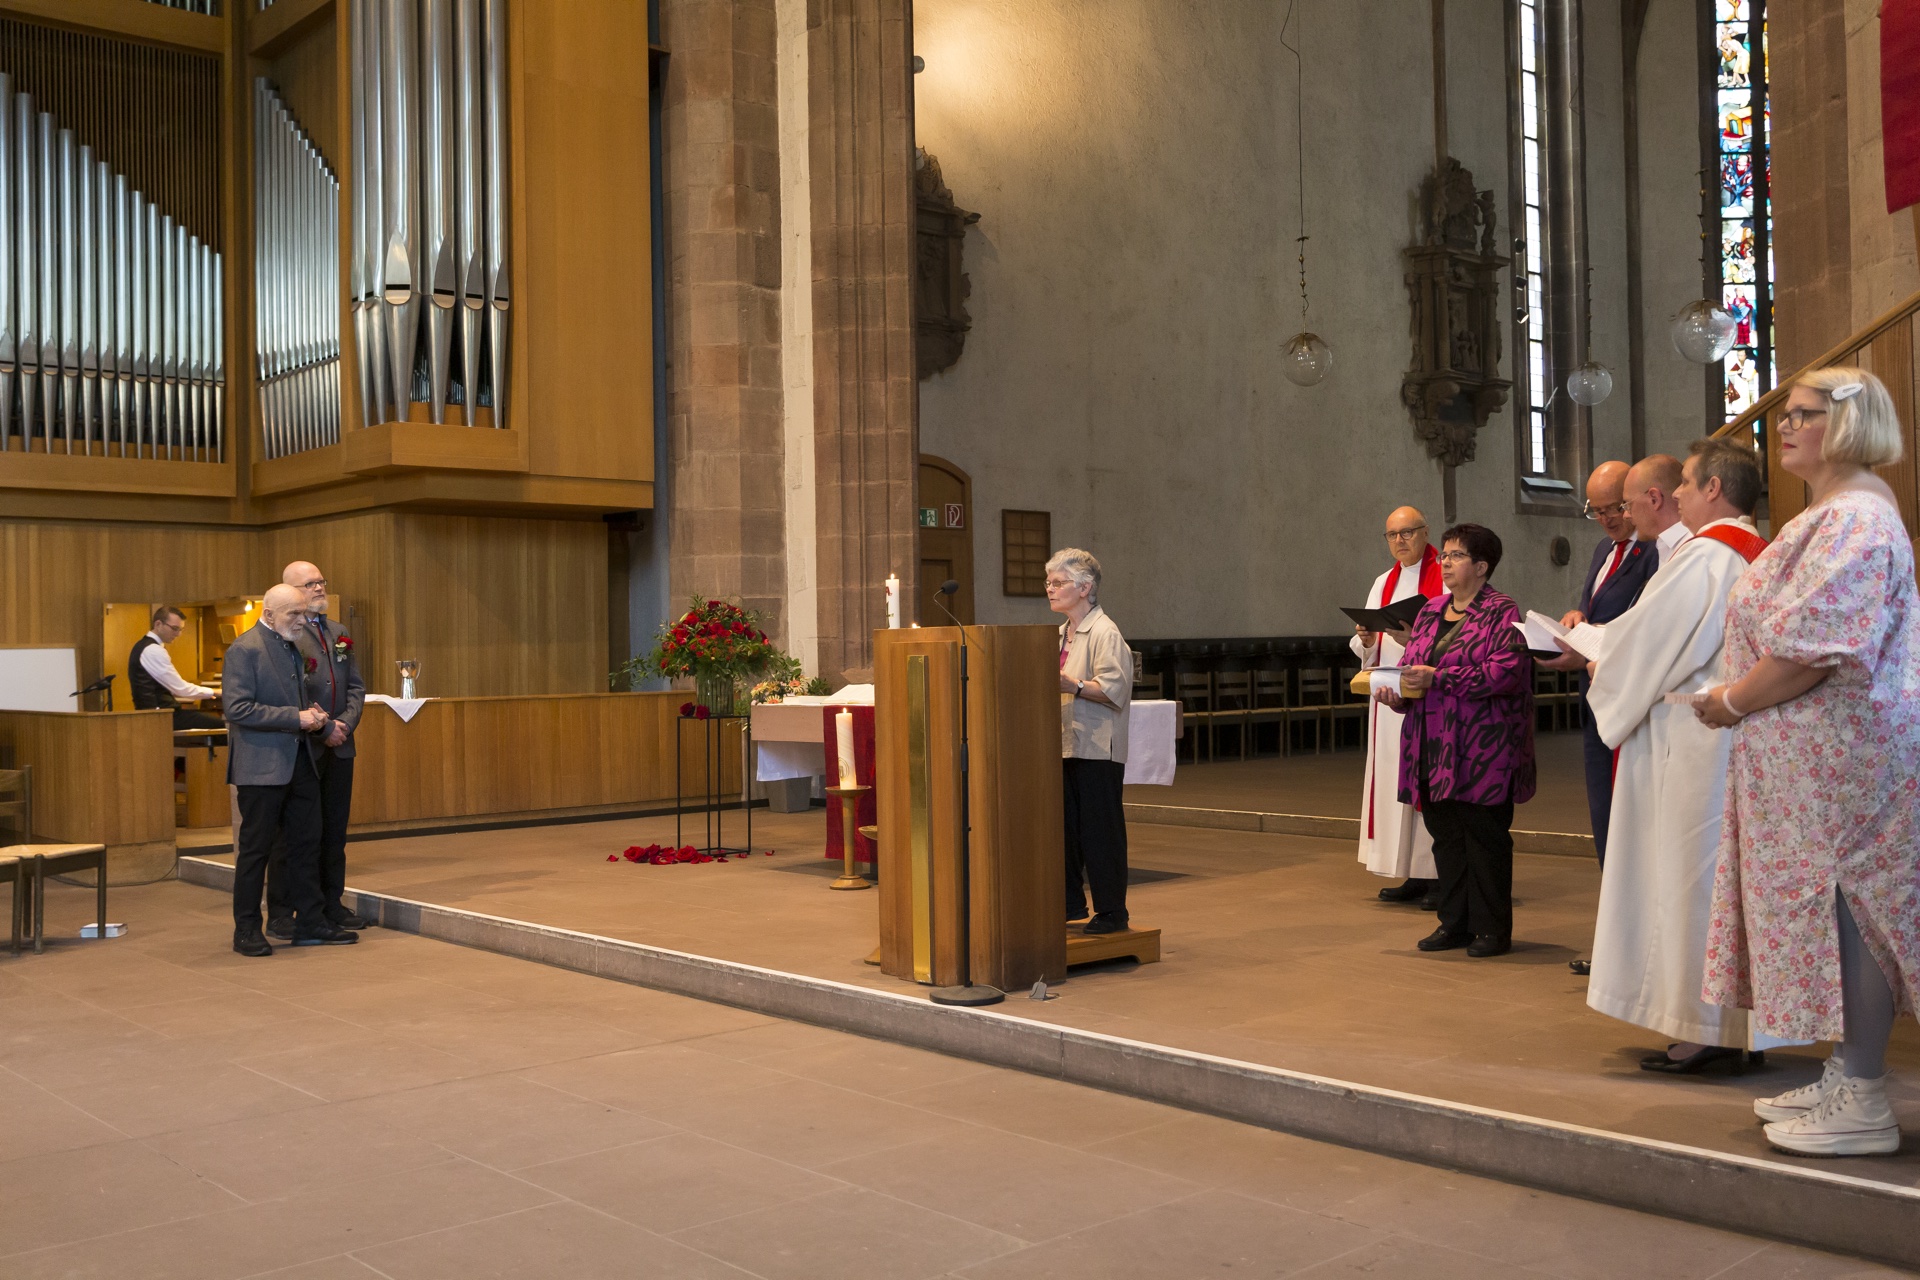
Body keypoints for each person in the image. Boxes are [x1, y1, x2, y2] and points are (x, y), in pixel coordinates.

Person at [1697, 368, 1920, 1157]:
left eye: (1804, 415)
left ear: (1853, 423)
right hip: (1810, 763)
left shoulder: (1857, 517)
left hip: (1843, 761)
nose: (1782, 426)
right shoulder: (1830, 512)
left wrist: (1732, 700)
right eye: (1784, 414)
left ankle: (1863, 1095)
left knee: (1849, 906)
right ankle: (1846, 1069)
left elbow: (1815, 647)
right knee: (1827, 909)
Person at [1584, 438, 1789, 1072]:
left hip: (1692, 745)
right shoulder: (1755, 548)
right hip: (1725, 735)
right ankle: (1735, 1028)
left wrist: (1586, 647)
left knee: (1690, 882)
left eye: (1686, 485)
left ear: (1713, 490)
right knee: (1723, 885)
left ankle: (1706, 1030)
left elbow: (1649, 639)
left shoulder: (1708, 555)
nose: (1674, 495)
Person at [1378, 524, 1534, 958]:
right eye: (1444, 554)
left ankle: (1491, 930)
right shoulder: (1430, 611)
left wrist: (1439, 677)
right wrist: (1399, 693)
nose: (1445, 562)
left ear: (1481, 567)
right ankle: (1454, 924)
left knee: (1484, 837)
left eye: (1456, 556)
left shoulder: (1503, 611)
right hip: (1433, 743)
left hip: (1483, 745)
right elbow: (1412, 664)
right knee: (1444, 833)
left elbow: (1504, 673)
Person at [1538, 459, 1658, 976]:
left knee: (1629, 823)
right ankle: (1615, 941)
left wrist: (1588, 651)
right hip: (1597, 697)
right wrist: (1577, 618)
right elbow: (1601, 613)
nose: (1607, 519)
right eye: (1597, 510)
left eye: (1616, 508)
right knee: (1604, 821)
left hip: (1630, 702)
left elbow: (1641, 629)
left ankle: (1634, 948)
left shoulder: (1657, 554)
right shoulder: (1604, 550)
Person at [224, 584, 358, 956]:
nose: (303, 621)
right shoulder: (244, 649)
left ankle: (312, 921)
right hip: (261, 767)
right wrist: (295, 717)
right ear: (269, 615)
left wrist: (315, 717)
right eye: (294, 615)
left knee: (306, 844)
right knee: (256, 851)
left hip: (302, 762)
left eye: (304, 613)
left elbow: (295, 697)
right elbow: (237, 709)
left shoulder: (292, 645)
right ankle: (247, 929)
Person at [265, 562, 369, 939]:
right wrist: (324, 727)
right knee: (292, 834)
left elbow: (356, 686)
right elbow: (289, 691)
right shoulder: (286, 633)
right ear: (289, 590)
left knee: (334, 831)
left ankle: (331, 903)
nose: (320, 588)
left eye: (322, 582)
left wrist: (346, 723)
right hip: (304, 746)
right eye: (310, 584)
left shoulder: (338, 632)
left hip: (340, 745)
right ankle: (280, 911)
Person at [1349, 506, 1441, 906]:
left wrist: (1415, 642)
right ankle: (1410, 871)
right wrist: (1367, 638)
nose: (1400, 541)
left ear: (1425, 533)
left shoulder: (1445, 576)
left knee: (1426, 780)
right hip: (1387, 697)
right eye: (1392, 535)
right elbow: (1365, 644)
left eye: (1407, 532)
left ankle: (1438, 873)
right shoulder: (1382, 581)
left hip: (1429, 697)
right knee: (1392, 781)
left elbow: (1454, 634)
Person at [1050, 548, 1133, 936]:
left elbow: (1114, 689)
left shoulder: (1105, 632)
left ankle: (1113, 912)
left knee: (1100, 830)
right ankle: (1070, 903)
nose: (1050, 589)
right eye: (1048, 582)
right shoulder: (1062, 632)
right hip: (1065, 743)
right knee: (1065, 827)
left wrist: (1074, 685)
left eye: (1058, 582)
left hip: (1098, 747)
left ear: (1084, 588)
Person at [129, 606, 223, 730]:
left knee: (213, 722)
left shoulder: (145, 646)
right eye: (174, 628)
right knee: (221, 726)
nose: (178, 634)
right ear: (158, 624)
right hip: (159, 716)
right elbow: (180, 688)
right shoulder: (152, 650)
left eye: (181, 629)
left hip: (156, 713)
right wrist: (215, 692)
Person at [1621, 453, 1691, 567]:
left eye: (1629, 505)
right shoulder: (1665, 546)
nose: (1626, 515)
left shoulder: (1693, 551)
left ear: (1654, 499)